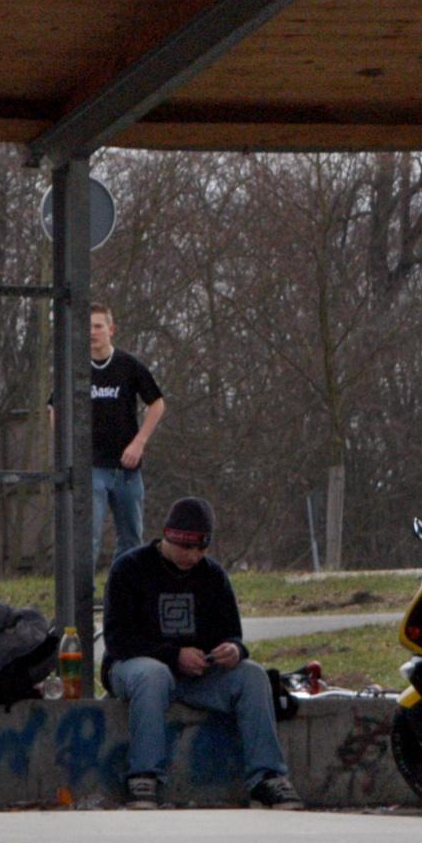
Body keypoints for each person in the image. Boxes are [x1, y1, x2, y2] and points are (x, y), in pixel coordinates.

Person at [102, 497, 303, 811]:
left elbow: (233, 633)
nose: (193, 557)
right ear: (168, 536)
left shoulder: (213, 576)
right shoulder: (130, 568)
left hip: (199, 675)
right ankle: (145, 775)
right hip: (136, 668)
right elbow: (118, 639)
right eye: (186, 548)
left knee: (253, 675)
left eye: (201, 549)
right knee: (152, 675)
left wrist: (234, 650)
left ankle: (267, 776)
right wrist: (173, 655)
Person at [86, 305, 166, 567]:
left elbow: (157, 403)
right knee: (89, 537)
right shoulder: (74, 368)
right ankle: (83, 599)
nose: (93, 332)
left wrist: (139, 443)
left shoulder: (128, 365)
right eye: (88, 327)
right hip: (92, 466)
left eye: (98, 326)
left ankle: (122, 596)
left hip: (126, 468)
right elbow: (55, 407)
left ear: (111, 329)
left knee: (132, 539)